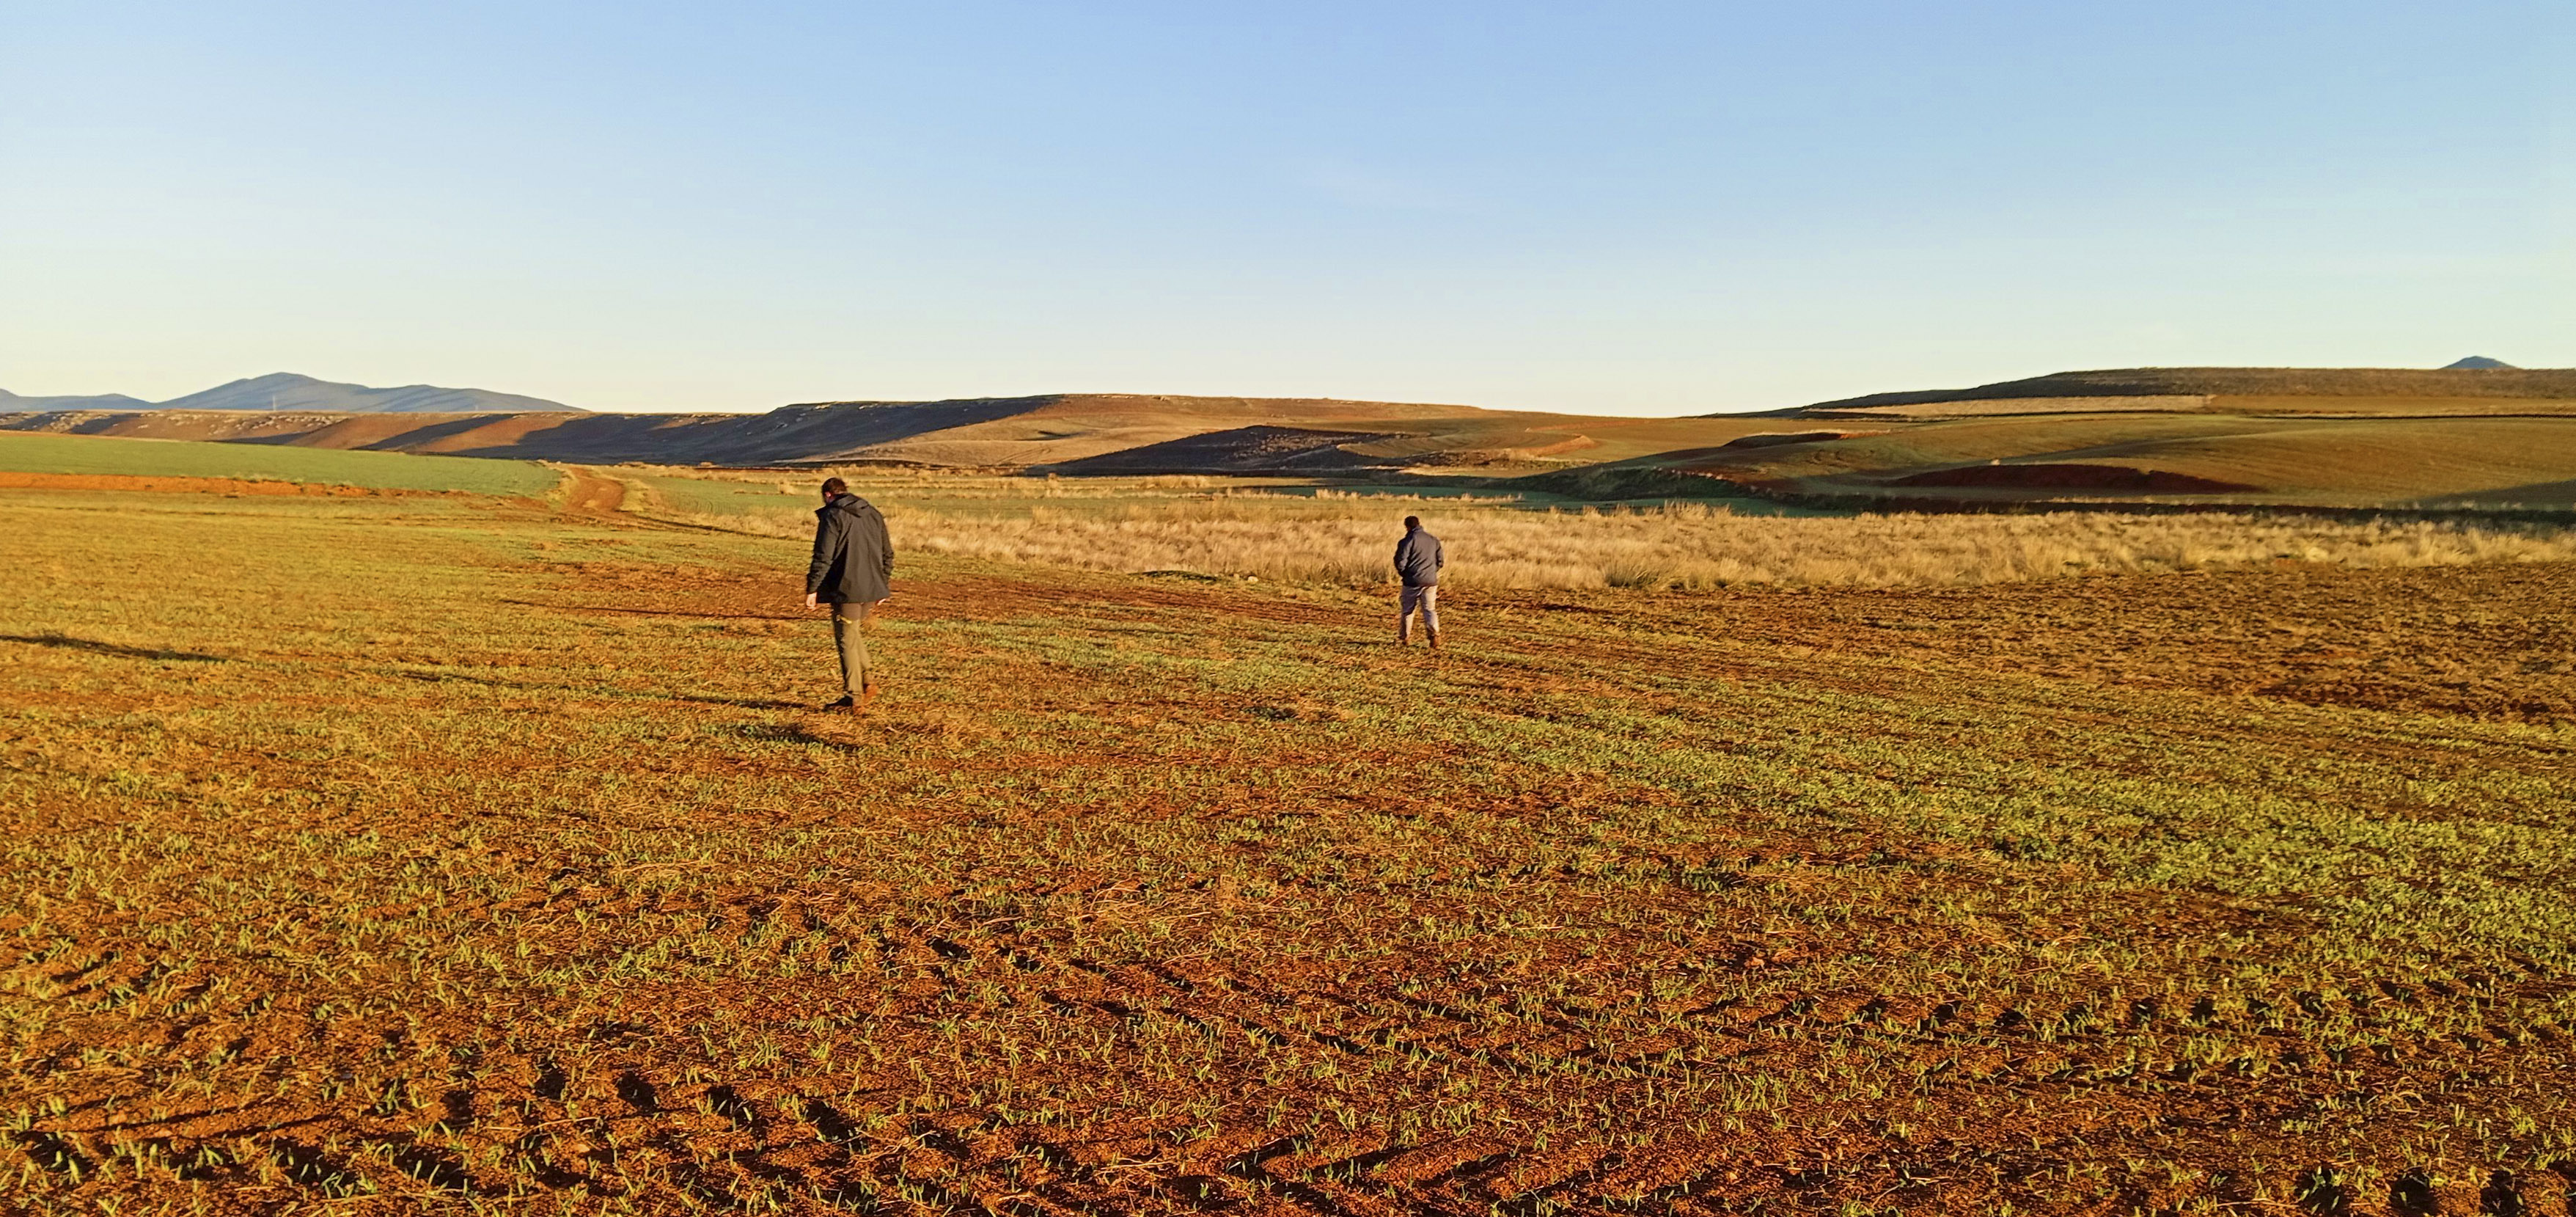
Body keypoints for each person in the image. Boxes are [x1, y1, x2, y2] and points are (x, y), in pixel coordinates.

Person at [804, 477, 893, 712]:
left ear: (827, 495)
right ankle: (867, 682)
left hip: (847, 588)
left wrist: (813, 587)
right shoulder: (873, 513)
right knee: (852, 634)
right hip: (872, 587)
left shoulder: (833, 516)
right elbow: (887, 553)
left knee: (845, 639)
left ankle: (852, 697)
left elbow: (823, 556)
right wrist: (883, 584)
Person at [1392, 514, 1443, 648]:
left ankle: (1404, 638)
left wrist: (1405, 574)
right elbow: (1440, 562)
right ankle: (1435, 635)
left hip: (1412, 581)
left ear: (1407, 526)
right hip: (1431, 581)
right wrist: (1431, 572)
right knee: (1429, 609)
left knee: (1408, 610)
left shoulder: (1407, 540)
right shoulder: (1434, 540)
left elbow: (1400, 562)